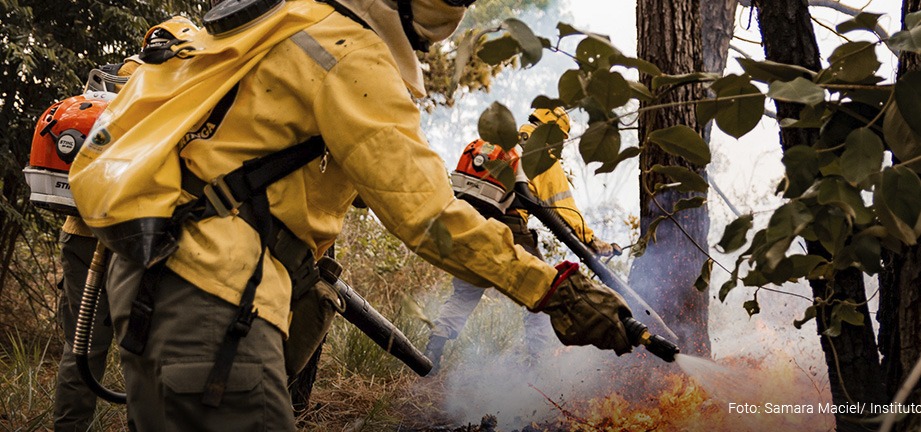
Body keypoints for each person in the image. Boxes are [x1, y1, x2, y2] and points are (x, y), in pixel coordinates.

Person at [69, 0, 633, 429]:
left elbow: (279, 160)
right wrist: (554, 290)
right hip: (213, 301)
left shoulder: (287, 22)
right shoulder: (349, 53)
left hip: (153, 284)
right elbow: (426, 215)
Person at [50, 18, 198, 432]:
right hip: (130, 236)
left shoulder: (117, 78)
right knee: (144, 351)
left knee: (84, 348)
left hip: (87, 230)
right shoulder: (158, 78)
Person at [424, 107, 623, 374]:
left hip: (470, 223)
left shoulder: (504, 143)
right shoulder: (543, 152)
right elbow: (562, 208)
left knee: (464, 293)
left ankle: (431, 351)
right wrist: (593, 242)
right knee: (543, 289)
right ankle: (535, 364)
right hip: (510, 227)